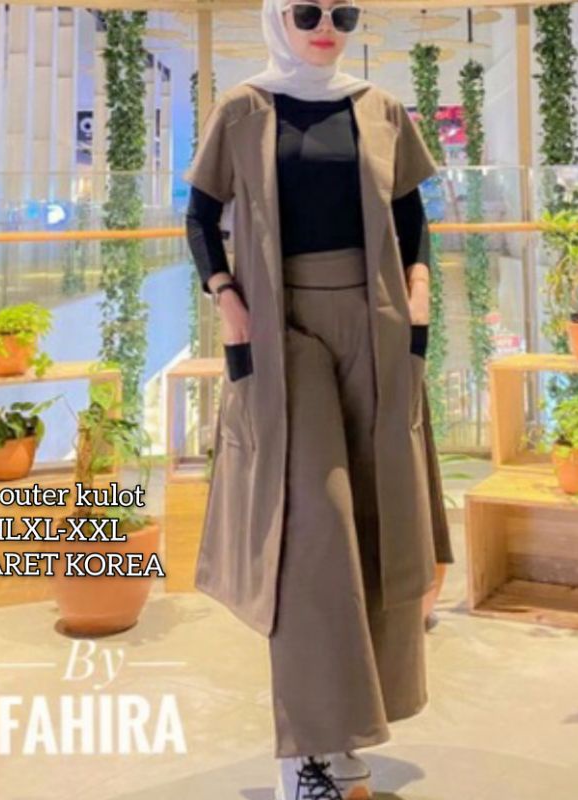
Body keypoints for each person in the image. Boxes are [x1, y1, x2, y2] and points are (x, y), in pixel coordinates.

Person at [184, 2, 454, 798]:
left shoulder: (380, 108)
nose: (325, 25)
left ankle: (347, 733)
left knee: (376, 517)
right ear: (279, 18)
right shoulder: (243, 108)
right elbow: (200, 215)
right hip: (280, 330)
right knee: (311, 530)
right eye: (307, 12)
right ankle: (304, 750)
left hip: (375, 322)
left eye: (342, 12)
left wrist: (419, 287)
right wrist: (225, 295)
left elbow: (410, 214)